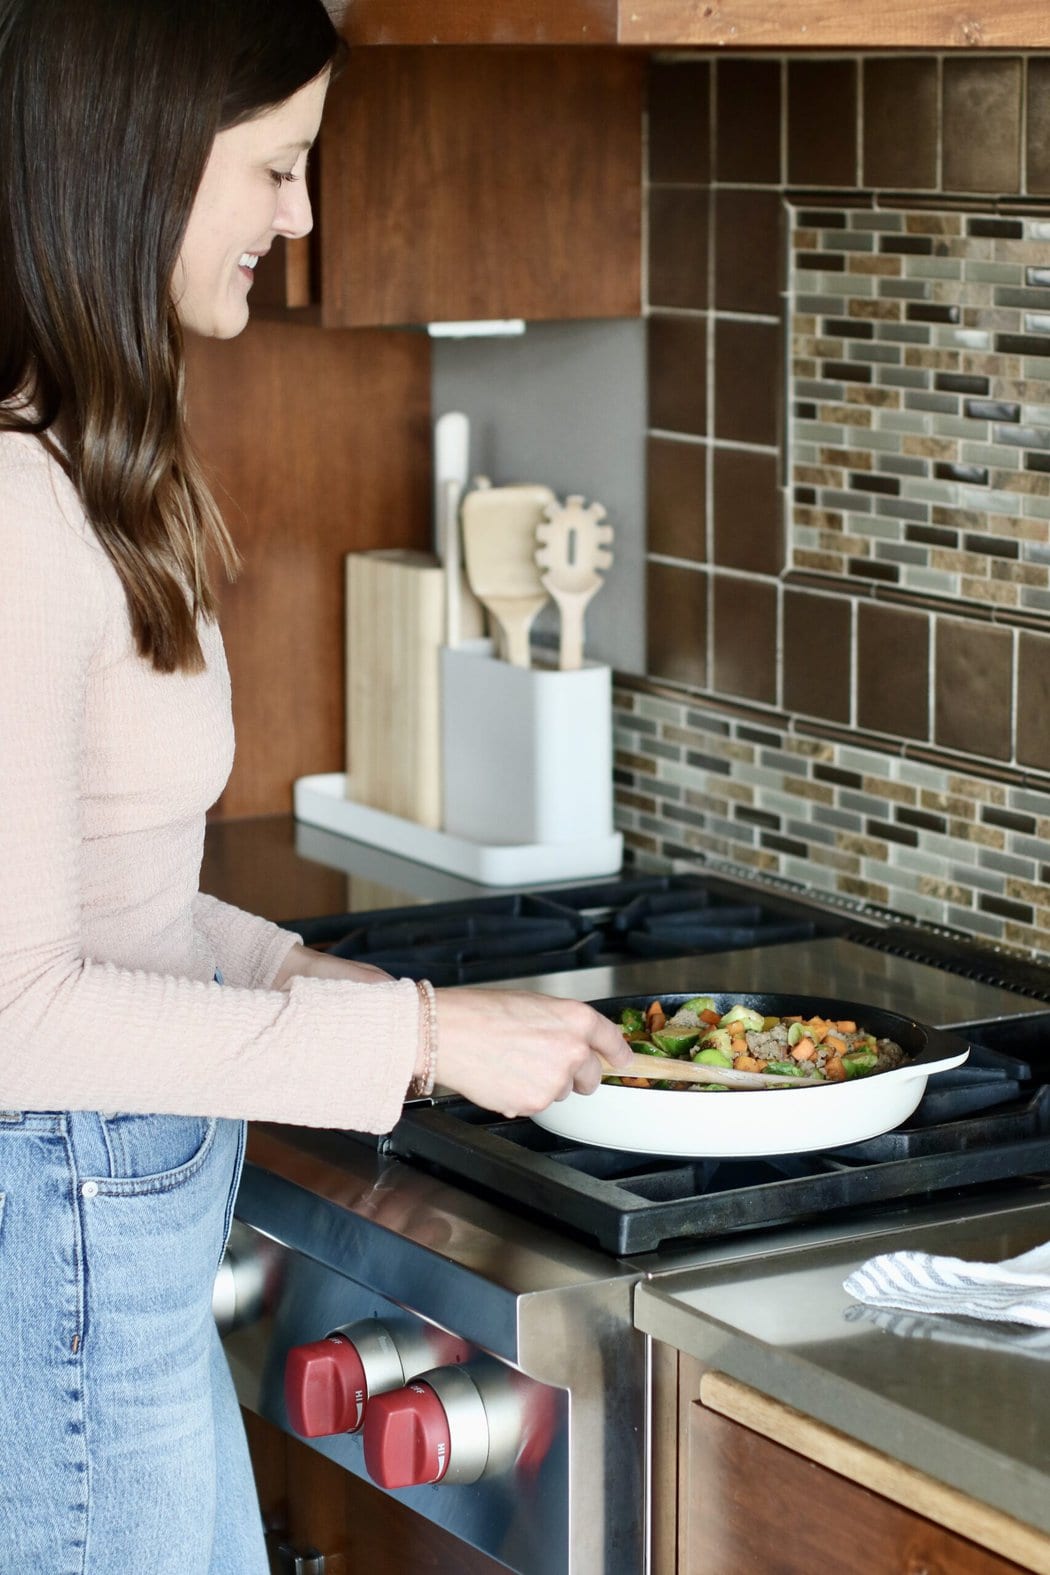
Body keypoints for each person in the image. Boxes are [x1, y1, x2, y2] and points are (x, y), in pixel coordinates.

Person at [0, 2, 633, 1569]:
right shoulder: (14, 519)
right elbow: (12, 1017)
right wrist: (415, 1033)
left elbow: (107, 889)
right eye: (276, 166)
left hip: (112, 1284)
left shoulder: (87, 465)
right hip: (61, 1281)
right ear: (138, 162)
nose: (301, 216)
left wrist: (292, 967)